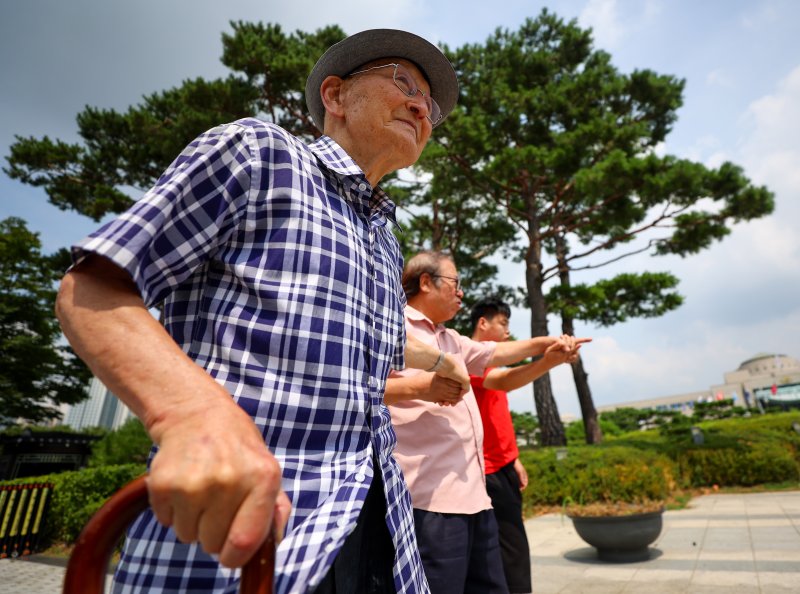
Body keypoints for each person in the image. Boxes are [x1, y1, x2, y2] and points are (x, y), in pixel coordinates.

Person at [55, 29, 468, 594]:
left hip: (384, 541)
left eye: (432, 105)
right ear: (335, 95)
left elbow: (363, 352)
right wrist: (189, 416)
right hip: (239, 548)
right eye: (404, 81)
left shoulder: (386, 239)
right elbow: (92, 288)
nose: (423, 107)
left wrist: (437, 363)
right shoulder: (259, 153)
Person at [384, 252, 589, 594]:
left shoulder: (450, 339)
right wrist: (422, 386)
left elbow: (497, 354)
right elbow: (360, 389)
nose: (461, 293)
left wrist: (549, 344)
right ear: (424, 282)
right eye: (455, 283)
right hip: (430, 500)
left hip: (477, 498)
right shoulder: (392, 328)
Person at [470, 297, 586, 594]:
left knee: (512, 547)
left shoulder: (489, 360)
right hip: (484, 473)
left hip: (502, 466)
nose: (508, 332)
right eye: (503, 324)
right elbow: (505, 381)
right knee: (503, 551)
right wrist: (549, 360)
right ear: (483, 323)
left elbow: (498, 416)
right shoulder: (469, 357)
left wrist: (514, 458)